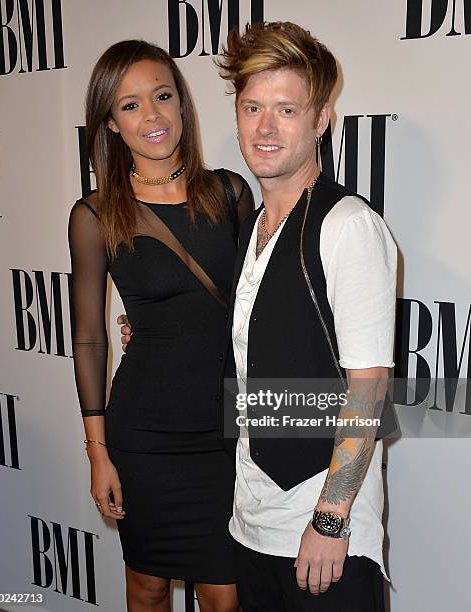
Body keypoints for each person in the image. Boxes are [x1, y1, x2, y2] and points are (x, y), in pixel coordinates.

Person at [124, 21, 397, 611]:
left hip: (324, 535)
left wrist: (331, 518)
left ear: (321, 119)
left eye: (287, 110)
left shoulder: (347, 226)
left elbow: (369, 385)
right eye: (252, 108)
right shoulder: (250, 231)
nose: (265, 128)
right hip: (250, 525)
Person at [68, 39, 253, 612]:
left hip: (226, 433)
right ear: (111, 124)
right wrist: (99, 453)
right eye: (129, 105)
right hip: (144, 435)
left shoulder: (230, 193)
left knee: (226, 595)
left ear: (182, 104)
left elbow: (255, 305)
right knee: (147, 589)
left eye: (162, 96)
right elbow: (90, 337)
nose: (151, 116)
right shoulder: (96, 214)